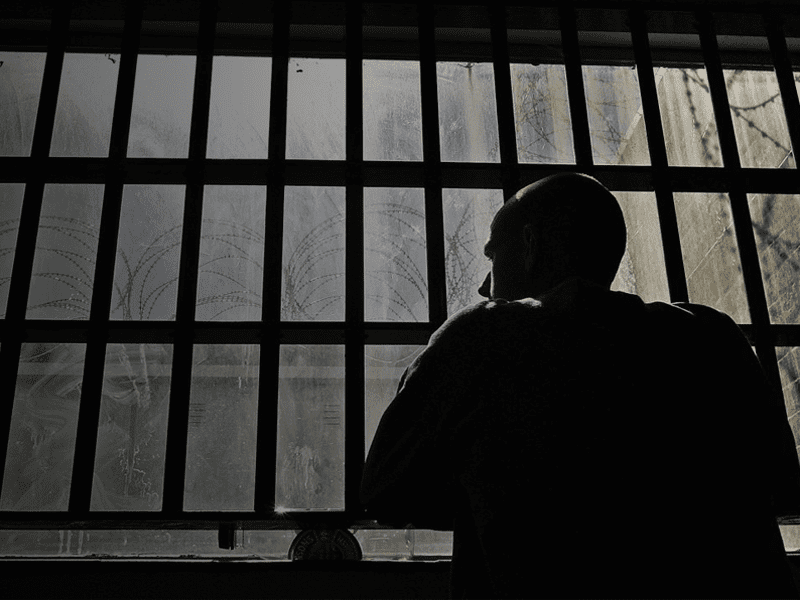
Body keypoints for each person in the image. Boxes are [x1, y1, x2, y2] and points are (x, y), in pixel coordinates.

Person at [360, 173, 800, 598]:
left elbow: (385, 488)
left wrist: (492, 486)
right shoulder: (713, 337)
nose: (483, 285)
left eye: (493, 256)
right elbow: (780, 482)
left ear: (531, 246)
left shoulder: (485, 338)